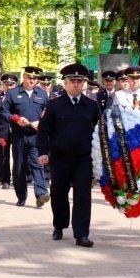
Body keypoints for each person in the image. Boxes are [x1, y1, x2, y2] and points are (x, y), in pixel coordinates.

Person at [38, 64, 100, 247]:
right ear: (65, 83)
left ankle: (81, 234)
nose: (76, 85)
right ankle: (59, 225)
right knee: (58, 195)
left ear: (85, 84)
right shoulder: (54, 105)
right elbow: (43, 130)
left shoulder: (91, 105)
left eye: (80, 81)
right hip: (60, 158)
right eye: (72, 81)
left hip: (83, 159)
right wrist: (43, 152)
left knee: (83, 195)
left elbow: (100, 131)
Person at [1, 65, 51, 207]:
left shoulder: (42, 94)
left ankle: (41, 194)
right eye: (30, 77)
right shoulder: (12, 93)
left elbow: (49, 114)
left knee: (37, 163)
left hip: (36, 136)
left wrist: (40, 122)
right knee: (19, 167)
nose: (32, 80)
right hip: (19, 136)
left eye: (35, 78)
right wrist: (16, 119)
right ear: (24, 76)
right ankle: (21, 196)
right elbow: (3, 112)